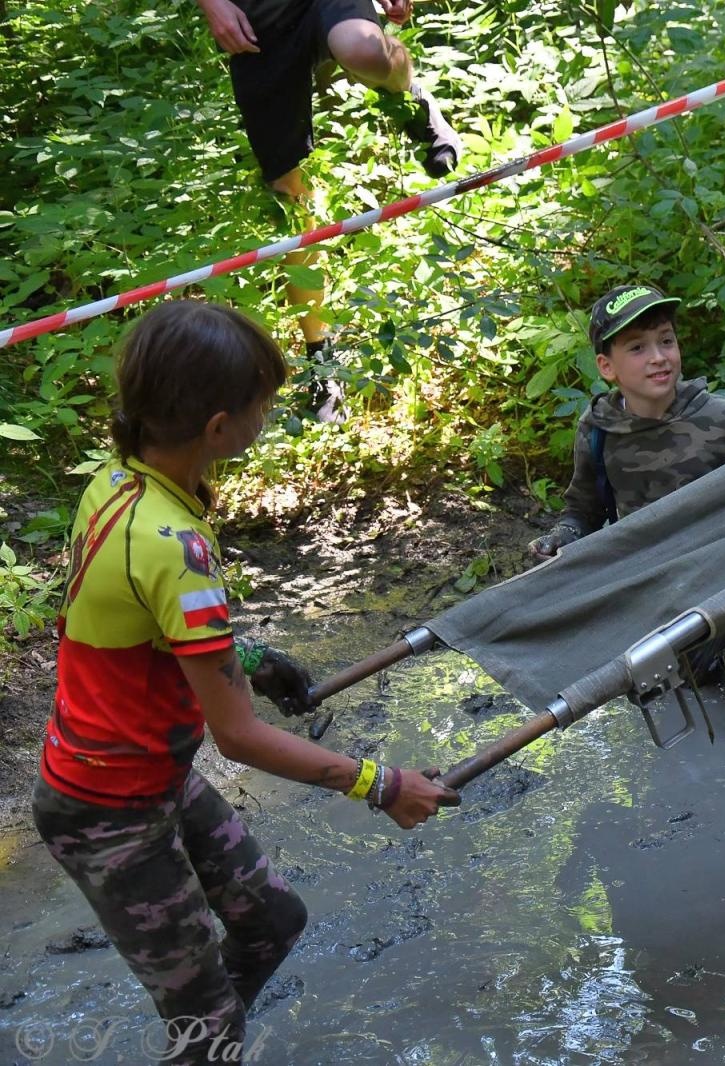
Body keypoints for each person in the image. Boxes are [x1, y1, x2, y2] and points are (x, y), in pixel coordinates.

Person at [33, 301, 459, 1063]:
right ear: (220, 427)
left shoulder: (122, 482)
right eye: (264, 402)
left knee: (273, 925)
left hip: (148, 775)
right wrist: (382, 783)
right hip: (106, 807)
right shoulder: (175, 547)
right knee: (209, 1023)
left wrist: (253, 660)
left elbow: (143, 624)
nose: (270, 413)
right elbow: (238, 737)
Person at [529, 284, 725, 737]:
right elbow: (583, 512)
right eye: (638, 348)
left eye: (666, 341)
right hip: (653, 590)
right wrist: (562, 537)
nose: (658, 357)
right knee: (675, 687)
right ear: (607, 368)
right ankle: (702, 666)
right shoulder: (597, 432)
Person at [194, 0, 466, 417]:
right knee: (288, 194)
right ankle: (321, 357)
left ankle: (412, 99)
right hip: (256, 21)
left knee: (363, 49)